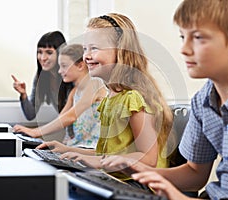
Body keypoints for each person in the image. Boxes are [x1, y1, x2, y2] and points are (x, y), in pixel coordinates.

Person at [116, 1, 228, 200]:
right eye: (183, 37)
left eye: (198, 38)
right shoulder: (203, 101)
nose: (184, 49)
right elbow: (195, 175)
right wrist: (139, 172)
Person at [37, 13, 173, 180]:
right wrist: (69, 150)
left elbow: (149, 158)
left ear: (121, 52)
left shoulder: (134, 98)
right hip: (116, 179)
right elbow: (109, 153)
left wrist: (100, 162)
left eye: (94, 48)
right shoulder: (110, 98)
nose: (86, 56)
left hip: (138, 185)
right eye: (85, 48)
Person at [13, 44, 107, 148]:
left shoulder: (94, 84)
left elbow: (71, 116)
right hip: (74, 147)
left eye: (64, 66)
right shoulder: (74, 92)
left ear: (80, 66)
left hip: (91, 149)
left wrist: (35, 132)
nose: (59, 71)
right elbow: (61, 120)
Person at [12, 31, 73, 120]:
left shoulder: (71, 76)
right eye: (40, 52)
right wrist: (23, 94)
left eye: (49, 52)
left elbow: (72, 116)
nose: (43, 58)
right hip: (68, 129)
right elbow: (30, 114)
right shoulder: (41, 78)